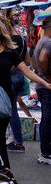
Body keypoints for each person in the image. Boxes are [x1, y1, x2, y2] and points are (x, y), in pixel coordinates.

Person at [0, 19, 51, 180]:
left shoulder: (10, 52)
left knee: (2, 131)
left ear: (2, 32)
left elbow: (27, 71)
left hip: (7, 96)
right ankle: (5, 167)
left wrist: (45, 83)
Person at [1, 18, 30, 153]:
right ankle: (14, 139)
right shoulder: (22, 39)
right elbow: (27, 61)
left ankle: (18, 142)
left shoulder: (8, 41)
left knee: (11, 110)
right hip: (19, 75)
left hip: (10, 76)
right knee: (12, 108)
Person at [32, 16, 51, 165]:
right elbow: (43, 59)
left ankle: (45, 151)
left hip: (42, 84)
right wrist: (48, 77)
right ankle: (46, 152)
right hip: (46, 86)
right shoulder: (48, 42)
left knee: (47, 118)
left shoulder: (41, 41)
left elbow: (34, 60)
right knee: (48, 118)